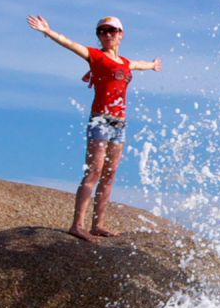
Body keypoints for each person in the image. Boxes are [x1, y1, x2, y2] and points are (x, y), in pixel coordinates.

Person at [26, 14, 162, 242]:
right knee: (94, 171)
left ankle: (98, 224)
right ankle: (77, 225)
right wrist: (48, 31)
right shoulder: (96, 56)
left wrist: (153, 65)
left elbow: (139, 65)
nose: (107, 35)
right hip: (100, 120)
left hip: (120, 123)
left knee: (110, 174)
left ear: (121, 34)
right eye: (102, 31)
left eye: (112, 31)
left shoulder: (126, 63)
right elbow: (70, 44)